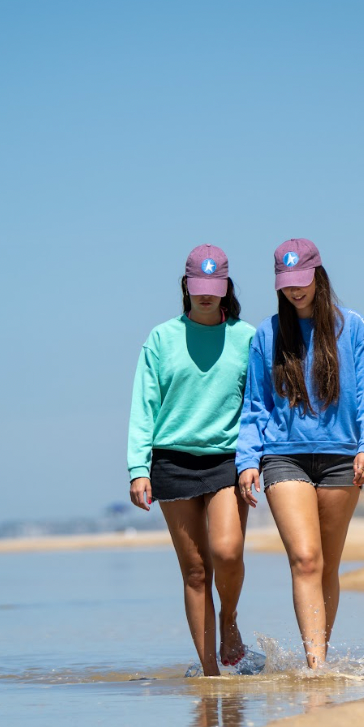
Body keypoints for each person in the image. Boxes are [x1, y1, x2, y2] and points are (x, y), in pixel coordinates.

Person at [236, 238, 364, 669]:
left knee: (328, 565)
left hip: (342, 456)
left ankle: (319, 654)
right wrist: (247, 460)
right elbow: (254, 405)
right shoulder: (267, 335)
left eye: (302, 281)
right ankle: (316, 666)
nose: (295, 290)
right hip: (284, 456)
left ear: (318, 276)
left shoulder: (353, 329)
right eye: (287, 284)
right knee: (305, 558)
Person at [128, 245, 256, 677]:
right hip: (171, 462)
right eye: (198, 288)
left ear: (225, 288)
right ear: (186, 287)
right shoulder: (162, 338)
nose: (206, 296)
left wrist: (255, 459)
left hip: (226, 460)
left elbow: (259, 405)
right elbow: (144, 404)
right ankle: (210, 674)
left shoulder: (247, 337)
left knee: (227, 552)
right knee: (196, 571)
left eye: (213, 288)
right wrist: (137, 468)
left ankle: (229, 620)